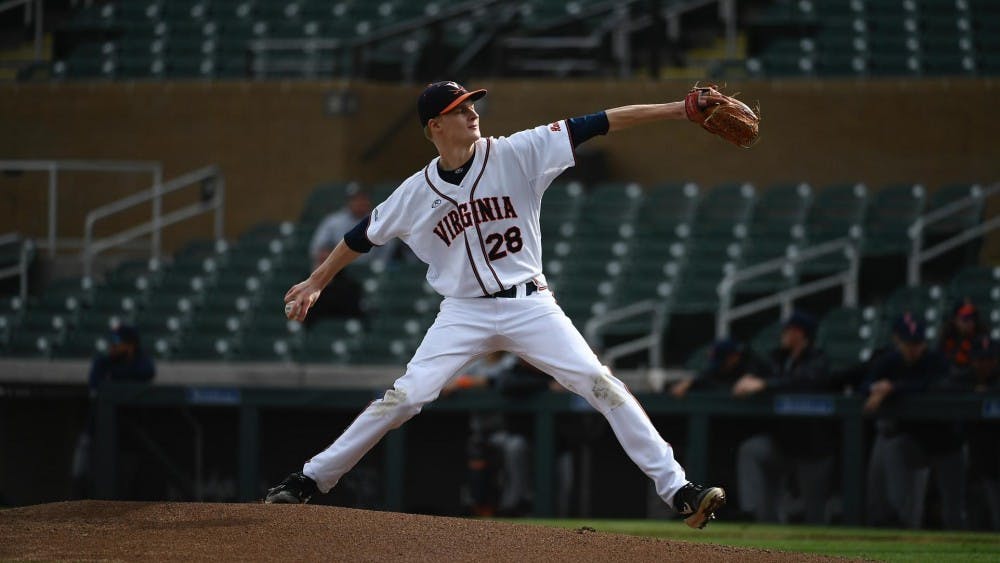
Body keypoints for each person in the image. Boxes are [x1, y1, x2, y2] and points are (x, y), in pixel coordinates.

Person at [265, 80, 728, 528]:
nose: (473, 114)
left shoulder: (516, 151)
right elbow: (358, 237)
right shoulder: (415, 191)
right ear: (434, 127)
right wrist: (316, 280)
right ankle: (310, 478)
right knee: (405, 398)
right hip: (463, 311)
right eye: (460, 109)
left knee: (598, 381)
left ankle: (679, 490)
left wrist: (679, 109)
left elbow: (599, 123)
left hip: (531, 302)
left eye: (473, 106)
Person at [731, 312, 837, 524]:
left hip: (812, 447)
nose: (784, 334)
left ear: (800, 334)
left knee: (813, 513)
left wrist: (766, 384)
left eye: (789, 330)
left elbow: (806, 381)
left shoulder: (818, 359)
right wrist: (751, 378)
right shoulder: (779, 358)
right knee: (753, 450)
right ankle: (751, 512)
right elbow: (758, 370)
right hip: (782, 443)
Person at [864, 313, 966, 529]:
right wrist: (877, 388)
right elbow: (863, 383)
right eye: (907, 343)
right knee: (893, 447)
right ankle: (897, 523)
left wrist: (894, 388)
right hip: (913, 441)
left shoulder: (936, 360)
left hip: (946, 441)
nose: (913, 348)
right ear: (896, 340)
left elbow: (941, 385)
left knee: (953, 510)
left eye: (917, 343)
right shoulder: (888, 360)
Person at [444, 351, 545, 517]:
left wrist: (467, 382)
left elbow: (499, 380)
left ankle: (513, 505)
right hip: (480, 431)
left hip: (507, 428)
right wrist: (457, 382)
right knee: (474, 461)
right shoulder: (478, 362)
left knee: (515, 448)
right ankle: (476, 506)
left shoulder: (511, 360)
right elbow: (453, 381)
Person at [72, 324, 155, 497]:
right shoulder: (102, 362)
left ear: (130, 345)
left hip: (126, 434)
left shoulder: (142, 362)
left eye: (117, 342)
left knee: (125, 481)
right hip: (94, 430)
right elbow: (95, 383)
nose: (112, 346)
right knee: (81, 473)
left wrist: (115, 376)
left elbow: (148, 372)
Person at [304, 185, 379, 323]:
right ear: (348, 201)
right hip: (339, 271)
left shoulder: (378, 219)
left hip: (368, 269)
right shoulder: (334, 221)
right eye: (356, 199)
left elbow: (387, 252)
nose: (360, 202)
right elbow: (317, 249)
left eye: (363, 198)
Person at [669, 338, 770, 399]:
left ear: (734, 357)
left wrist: (761, 383)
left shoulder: (756, 365)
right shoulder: (720, 368)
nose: (721, 366)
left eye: (724, 360)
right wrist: (691, 383)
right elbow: (708, 376)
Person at [938, 299, 987, 375]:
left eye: (973, 318)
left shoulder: (983, 338)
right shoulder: (946, 338)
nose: (970, 322)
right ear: (955, 319)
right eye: (965, 318)